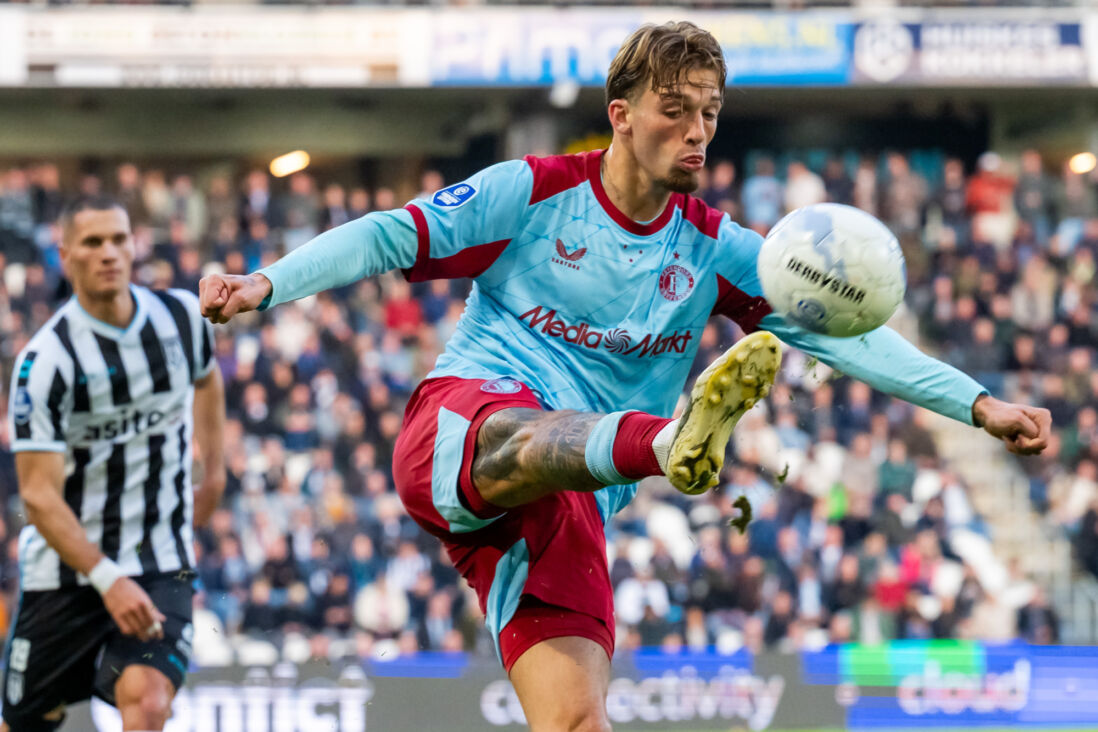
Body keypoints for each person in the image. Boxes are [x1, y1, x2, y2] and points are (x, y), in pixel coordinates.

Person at [199, 22, 1051, 732]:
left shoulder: (717, 249)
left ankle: (661, 445)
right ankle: (673, 440)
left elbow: (856, 342)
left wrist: (979, 403)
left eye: (709, 114)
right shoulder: (530, 194)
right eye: (674, 111)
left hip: (577, 501)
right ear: (621, 116)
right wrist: (266, 285)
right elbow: (388, 235)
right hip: (467, 427)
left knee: (578, 724)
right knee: (526, 430)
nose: (697, 132)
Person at [4, 196, 225, 732]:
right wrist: (108, 578)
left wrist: (214, 470)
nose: (109, 253)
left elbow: (206, 377)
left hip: (158, 560)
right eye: (93, 242)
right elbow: (38, 497)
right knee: (27, 722)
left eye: (119, 239)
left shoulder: (180, 320)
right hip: (67, 570)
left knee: (148, 702)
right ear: (65, 255)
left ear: (135, 245)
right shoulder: (45, 363)